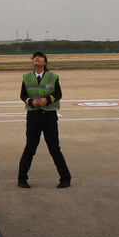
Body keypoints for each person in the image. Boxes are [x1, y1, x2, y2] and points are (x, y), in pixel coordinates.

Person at [17, 51, 72, 188]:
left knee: (54, 148)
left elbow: (58, 94)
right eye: (35, 57)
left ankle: (65, 178)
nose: (37, 58)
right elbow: (23, 95)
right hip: (33, 117)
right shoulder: (27, 77)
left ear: (45, 62)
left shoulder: (53, 77)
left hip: (49, 116)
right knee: (30, 148)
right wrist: (31, 102)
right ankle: (22, 179)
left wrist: (47, 100)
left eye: (40, 57)